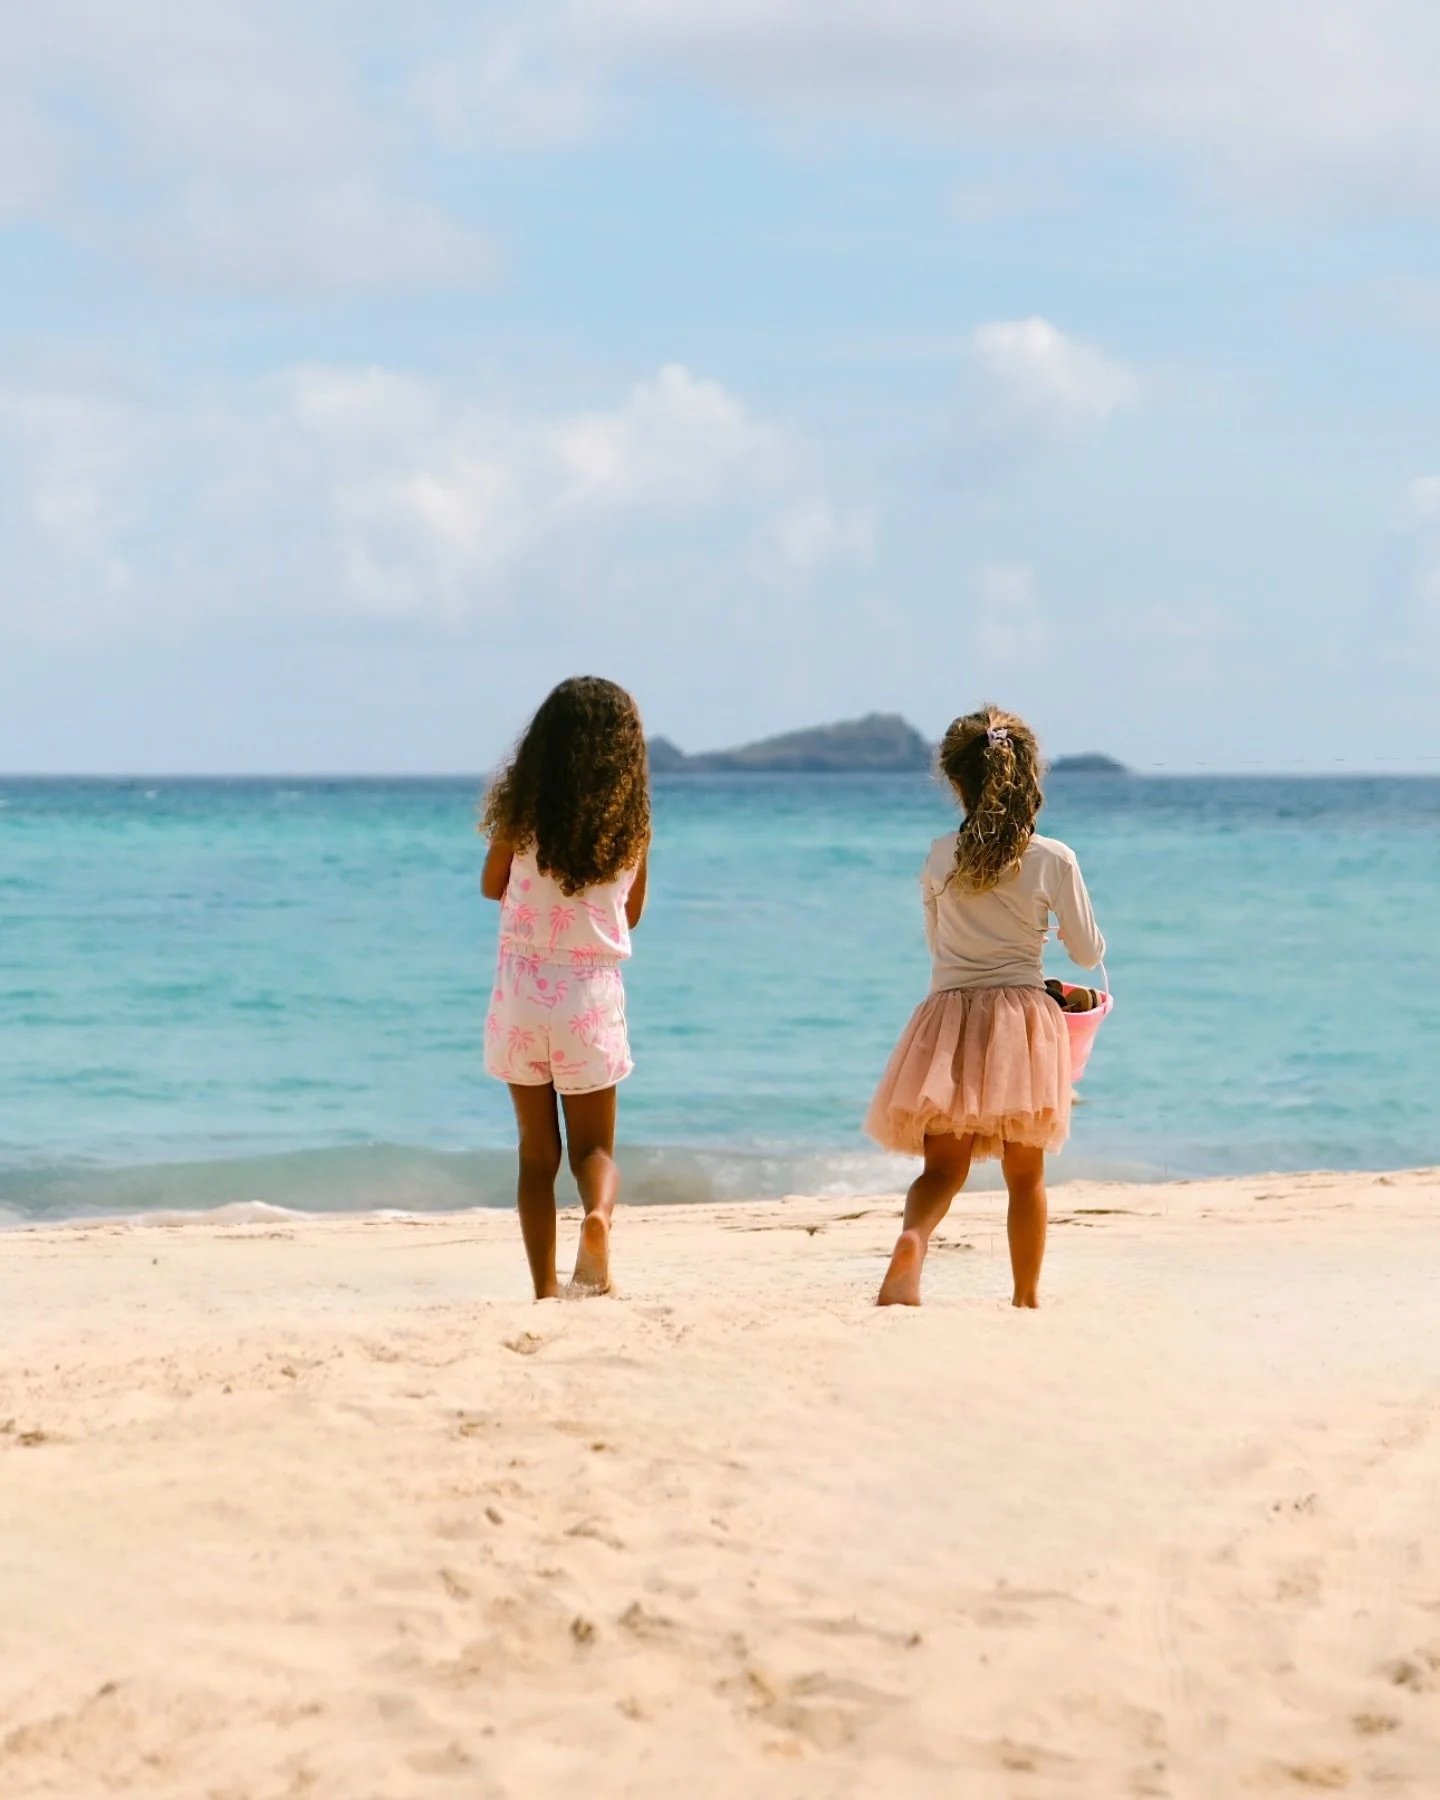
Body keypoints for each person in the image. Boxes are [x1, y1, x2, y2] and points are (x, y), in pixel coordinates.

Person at [866, 705, 1106, 1309]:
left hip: (947, 1017)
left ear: (955, 783)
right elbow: (1085, 953)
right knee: (1025, 1177)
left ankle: (913, 1243)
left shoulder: (939, 854)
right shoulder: (1053, 857)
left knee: (942, 1169)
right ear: (1028, 776)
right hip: (1021, 1022)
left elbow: (935, 943)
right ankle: (1025, 1297)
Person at [480, 676, 650, 1299]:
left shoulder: (520, 819)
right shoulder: (630, 830)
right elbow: (630, 914)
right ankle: (598, 1217)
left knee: (535, 1154)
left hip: (522, 993)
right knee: (594, 1150)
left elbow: (490, 884)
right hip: (589, 998)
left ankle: (544, 1291)